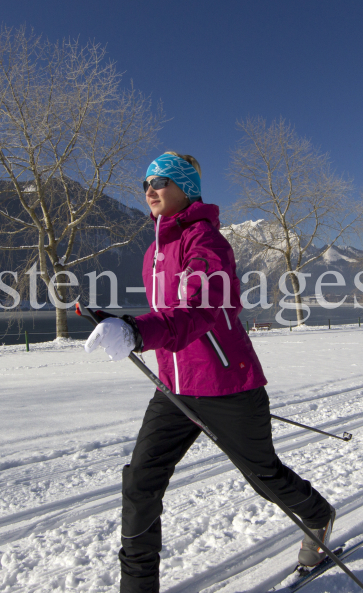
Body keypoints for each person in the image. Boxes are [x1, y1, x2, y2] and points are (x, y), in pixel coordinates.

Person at [84, 152, 336, 593]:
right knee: (140, 482)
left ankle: (317, 515)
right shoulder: (154, 252)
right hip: (174, 389)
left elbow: (199, 309)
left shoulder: (207, 244)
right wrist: (121, 322)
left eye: (161, 180)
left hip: (227, 386)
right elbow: (168, 314)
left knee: (265, 477)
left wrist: (137, 334)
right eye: (146, 181)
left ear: (187, 189)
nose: (150, 189)